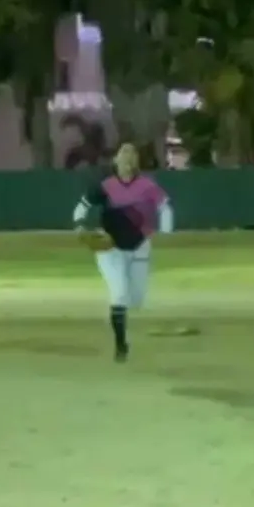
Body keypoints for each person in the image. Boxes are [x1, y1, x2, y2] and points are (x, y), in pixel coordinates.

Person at [72, 143, 174, 362]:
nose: (126, 162)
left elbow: (165, 206)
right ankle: (121, 346)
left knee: (136, 300)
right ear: (116, 162)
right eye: (123, 158)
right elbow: (82, 206)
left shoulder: (147, 186)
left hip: (139, 246)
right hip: (111, 248)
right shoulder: (106, 186)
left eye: (131, 158)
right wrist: (79, 225)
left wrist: (166, 231)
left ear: (136, 163)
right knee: (119, 294)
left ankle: (121, 327)